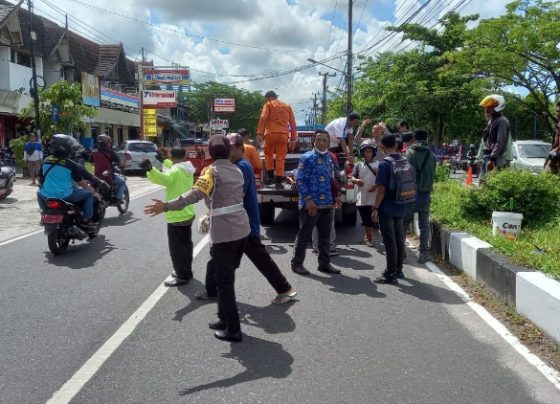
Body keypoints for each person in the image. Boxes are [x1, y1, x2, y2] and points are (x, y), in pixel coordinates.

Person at [144, 135, 250, 343]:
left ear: (210, 152)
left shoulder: (211, 171)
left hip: (224, 233)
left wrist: (165, 206)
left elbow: (193, 195)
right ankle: (223, 319)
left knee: (224, 282)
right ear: (228, 151)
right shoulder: (236, 169)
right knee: (224, 276)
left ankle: (234, 329)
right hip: (241, 229)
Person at [141, 148, 196, 287]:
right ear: (184, 156)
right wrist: (163, 160)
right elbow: (173, 167)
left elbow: (164, 179)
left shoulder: (175, 171)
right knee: (186, 245)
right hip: (187, 212)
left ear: (172, 156)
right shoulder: (187, 168)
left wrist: (150, 169)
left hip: (176, 214)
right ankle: (187, 271)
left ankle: (181, 276)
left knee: (177, 249)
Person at [291, 129, 341, 276]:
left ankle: (324, 264)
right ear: (314, 141)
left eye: (324, 140)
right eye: (318, 139)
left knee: (325, 236)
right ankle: (297, 264)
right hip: (311, 205)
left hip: (327, 203)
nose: (321, 142)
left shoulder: (330, 158)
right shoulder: (307, 158)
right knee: (304, 235)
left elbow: (333, 179)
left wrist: (337, 195)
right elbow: (300, 180)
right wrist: (308, 200)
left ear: (328, 142)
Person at [37, 134, 100, 226]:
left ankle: (45, 213)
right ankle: (87, 219)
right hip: (66, 195)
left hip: (47, 195)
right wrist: (93, 191)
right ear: (65, 147)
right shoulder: (70, 164)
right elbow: (81, 183)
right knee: (89, 195)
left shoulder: (45, 160)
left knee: (39, 193)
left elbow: (40, 179)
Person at [371, 133, 407, 284]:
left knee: (389, 241)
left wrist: (375, 208)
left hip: (387, 207)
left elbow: (381, 190)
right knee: (399, 239)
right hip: (402, 205)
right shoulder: (404, 160)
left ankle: (390, 273)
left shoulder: (384, 164)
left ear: (382, 146)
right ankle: (399, 270)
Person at [402, 128, 436, 265]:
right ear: (426, 139)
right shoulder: (432, 155)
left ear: (414, 138)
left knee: (404, 224)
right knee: (424, 225)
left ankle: (401, 251)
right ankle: (423, 254)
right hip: (425, 195)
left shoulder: (409, 153)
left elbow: (405, 174)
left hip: (410, 194)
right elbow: (433, 175)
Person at [256, 90, 297, 188]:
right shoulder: (287, 106)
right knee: (280, 158)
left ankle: (271, 179)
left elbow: (263, 118)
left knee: (268, 155)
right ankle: (279, 182)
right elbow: (292, 123)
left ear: (268, 97)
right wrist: (293, 139)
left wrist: (259, 133)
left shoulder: (269, 104)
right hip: (283, 135)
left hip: (270, 134)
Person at [351, 140, 379, 246]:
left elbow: (382, 179)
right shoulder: (358, 165)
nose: (368, 154)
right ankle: (367, 237)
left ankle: (369, 238)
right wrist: (356, 181)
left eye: (370, 151)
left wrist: (376, 185)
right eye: (366, 151)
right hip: (362, 197)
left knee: (370, 218)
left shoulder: (378, 165)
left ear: (374, 152)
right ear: (362, 153)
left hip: (374, 197)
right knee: (365, 218)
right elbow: (352, 177)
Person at [89, 134, 126, 202]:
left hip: (97, 176)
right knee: (122, 182)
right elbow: (120, 163)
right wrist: (124, 163)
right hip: (108, 177)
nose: (110, 142)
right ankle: (118, 198)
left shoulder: (93, 151)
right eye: (109, 141)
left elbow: (91, 163)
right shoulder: (110, 151)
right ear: (106, 142)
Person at [479, 94, 510, 174]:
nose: (486, 109)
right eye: (486, 107)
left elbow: (500, 141)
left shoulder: (502, 121)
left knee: (491, 182)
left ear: (498, 106)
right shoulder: (492, 121)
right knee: (484, 182)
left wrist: (492, 159)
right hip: (488, 156)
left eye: (490, 106)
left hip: (494, 158)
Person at [544, 101, 560, 174]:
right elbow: (555, 145)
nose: (557, 113)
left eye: (559, 111)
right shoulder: (557, 126)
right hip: (554, 160)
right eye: (557, 111)